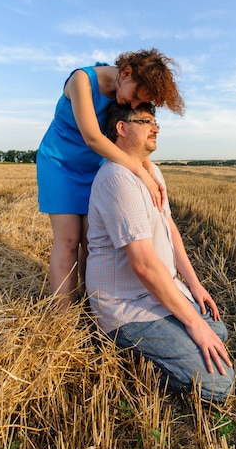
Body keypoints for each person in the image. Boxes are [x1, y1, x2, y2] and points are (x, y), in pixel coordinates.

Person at [85, 102, 234, 402]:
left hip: (153, 293)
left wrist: (194, 285)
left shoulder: (151, 171)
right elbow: (143, 265)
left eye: (156, 122)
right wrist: (194, 325)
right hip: (126, 306)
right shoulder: (117, 177)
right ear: (122, 128)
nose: (156, 128)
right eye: (146, 121)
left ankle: (173, 343)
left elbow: (170, 228)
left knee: (218, 331)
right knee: (219, 384)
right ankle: (124, 353)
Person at [36, 48, 184, 309]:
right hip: (61, 163)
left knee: (90, 239)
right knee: (69, 239)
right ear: (126, 73)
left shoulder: (123, 93)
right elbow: (92, 137)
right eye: (137, 97)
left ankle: (89, 307)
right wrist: (140, 172)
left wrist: (147, 167)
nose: (134, 105)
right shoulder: (81, 80)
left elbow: (125, 137)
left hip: (96, 163)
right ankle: (63, 318)